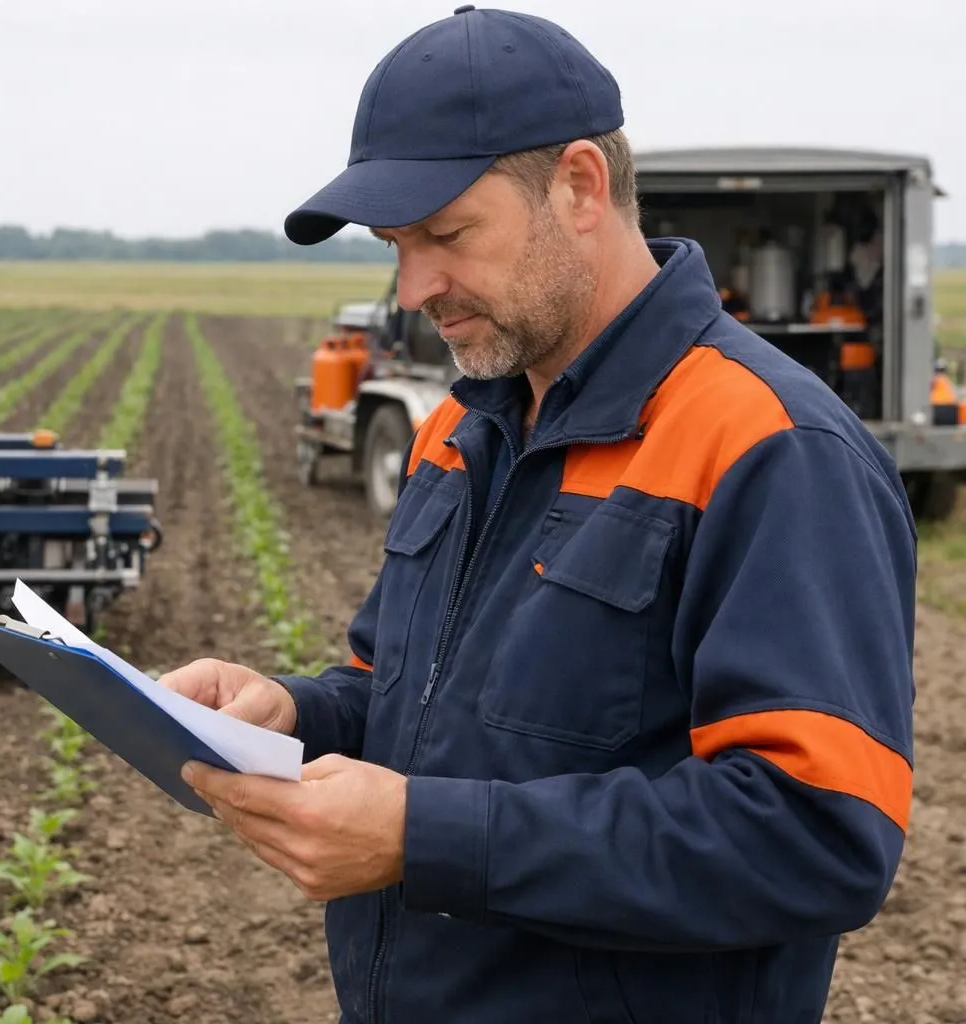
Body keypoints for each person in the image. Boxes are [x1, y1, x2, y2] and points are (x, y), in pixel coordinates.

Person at [159, 6, 918, 1022]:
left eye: (448, 234)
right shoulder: (460, 437)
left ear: (579, 186)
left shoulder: (768, 447)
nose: (413, 286)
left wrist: (421, 837)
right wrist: (292, 714)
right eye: (396, 244)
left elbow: (815, 833)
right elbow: (407, 701)